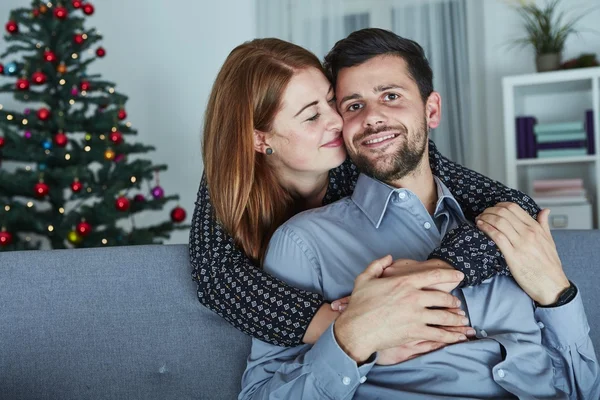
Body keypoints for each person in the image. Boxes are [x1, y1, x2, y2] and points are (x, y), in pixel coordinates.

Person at [238, 28, 599, 399]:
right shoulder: (303, 242)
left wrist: (558, 295)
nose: (373, 118)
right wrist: (351, 338)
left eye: (390, 96)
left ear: (432, 110)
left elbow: (583, 388)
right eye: (353, 105)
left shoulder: (504, 227)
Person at [189, 37, 541, 348]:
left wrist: (437, 268)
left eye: (332, 101)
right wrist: (353, 328)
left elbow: (516, 206)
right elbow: (217, 278)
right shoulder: (231, 179)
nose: (337, 120)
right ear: (260, 139)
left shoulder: (365, 156)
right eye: (312, 116)